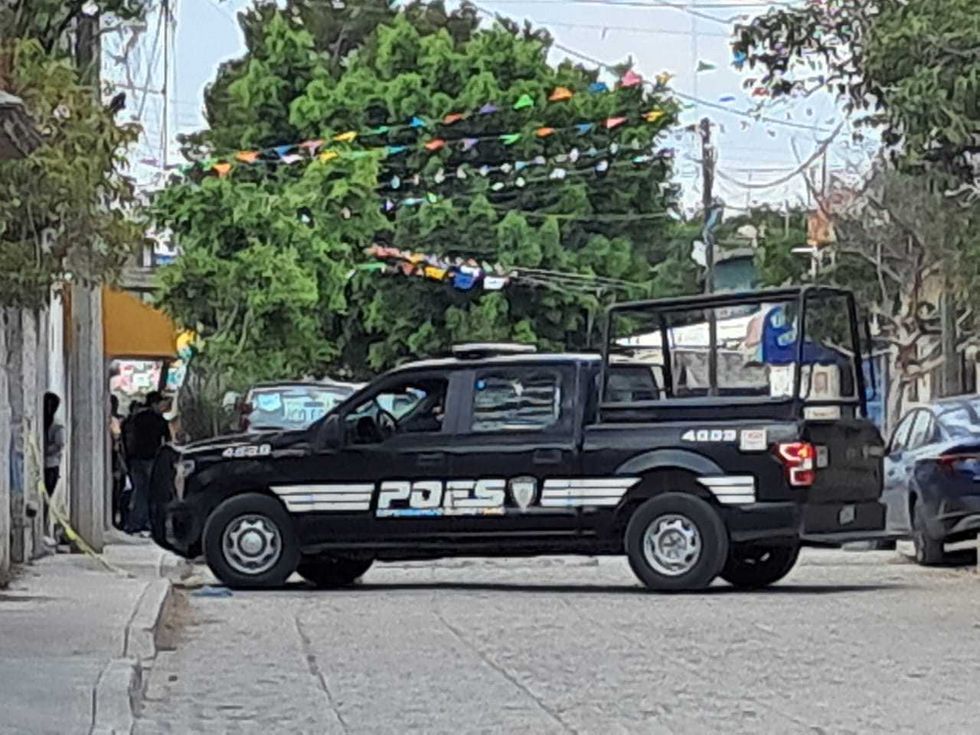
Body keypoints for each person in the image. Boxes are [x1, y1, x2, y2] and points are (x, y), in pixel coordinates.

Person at [124, 391, 171, 535]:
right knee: (152, 493)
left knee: (139, 491)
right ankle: (148, 522)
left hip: (135, 459)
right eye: (162, 403)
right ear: (155, 403)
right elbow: (167, 441)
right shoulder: (159, 420)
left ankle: (134, 522)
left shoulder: (135, 418)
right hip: (151, 459)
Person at [42, 392, 66, 540]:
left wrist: (44, 449)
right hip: (45, 466)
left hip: (50, 465)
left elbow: (59, 444)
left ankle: (44, 530)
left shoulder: (56, 425)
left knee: (46, 500)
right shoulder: (44, 422)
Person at [110, 395, 127, 529]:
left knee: (117, 492)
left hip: (116, 460)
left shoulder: (115, 420)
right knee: (116, 492)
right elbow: (117, 441)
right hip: (114, 460)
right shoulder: (114, 421)